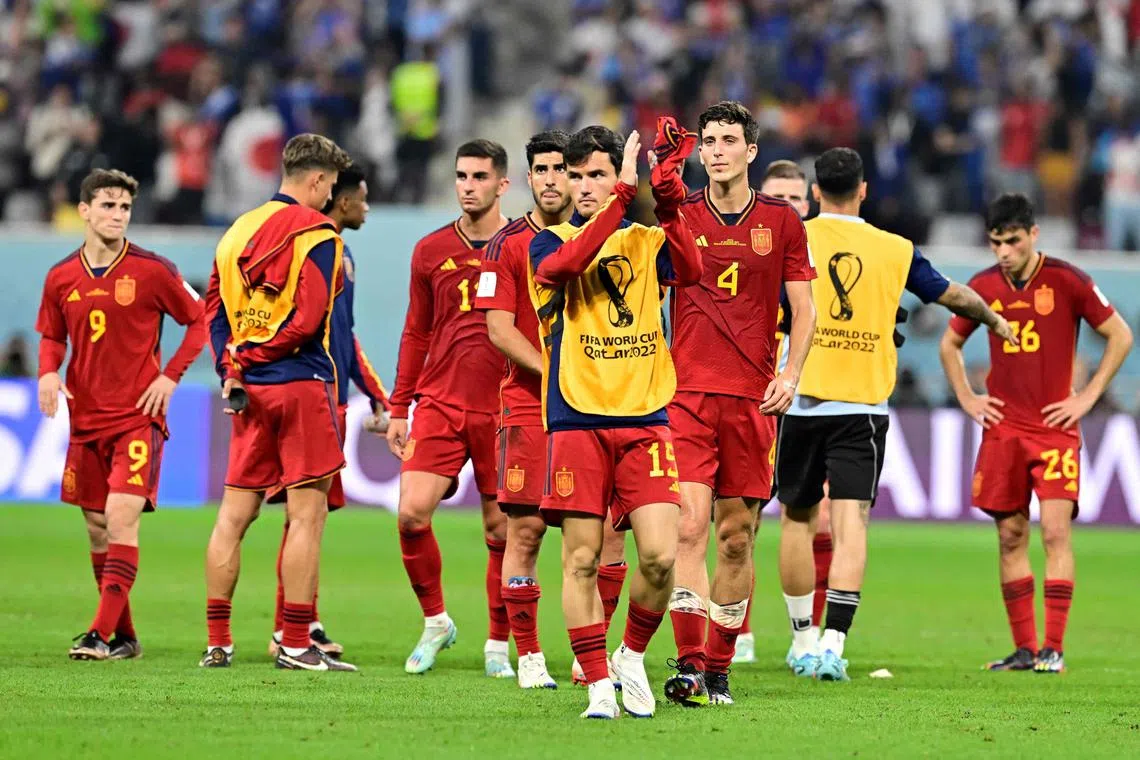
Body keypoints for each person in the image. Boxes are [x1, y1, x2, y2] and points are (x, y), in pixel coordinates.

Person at [776, 147, 1015, 682]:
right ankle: (834, 644)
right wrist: (994, 320)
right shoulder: (895, 249)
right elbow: (952, 296)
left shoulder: (795, 237)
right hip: (863, 406)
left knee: (797, 516)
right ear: (864, 190)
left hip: (800, 398)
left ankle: (801, 639)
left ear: (815, 192)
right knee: (850, 520)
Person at [529, 120, 702, 719]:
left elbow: (695, 271)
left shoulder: (644, 240)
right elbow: (569, 265)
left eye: (597, 174)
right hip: (577, 416)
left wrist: (670, 196)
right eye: (576, 176)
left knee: (659, 556)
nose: (583, 186)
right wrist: (624, 197)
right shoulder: (547, 242)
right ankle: (599, 682)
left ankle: (630, 655)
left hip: (644, 416)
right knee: (581, 558)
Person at [940, 193, 1133, 674]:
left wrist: (1086, 397)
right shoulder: (983, 286)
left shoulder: (1067, 280)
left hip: (1054, 429)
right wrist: (968, 398)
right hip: (1003, 430)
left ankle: (1055, 648)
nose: (1003, 251)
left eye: (1012, 241)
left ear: (1033, 235)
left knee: (1054, 531)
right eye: (995, 242)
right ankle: (1025, 649)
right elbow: (950, 343)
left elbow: (1121, 335)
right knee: (1009, 535)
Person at [664, 104, 817, 707]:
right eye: (709, 141)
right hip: (687, 397)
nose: (718, 150)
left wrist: (792, 372)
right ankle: (689, 662)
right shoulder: (680, 216)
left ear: (752, 151)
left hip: (753, 399)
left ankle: (721, 667)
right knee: (689, 526)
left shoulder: (781, 223)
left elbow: (803, 309)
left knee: (735, 539)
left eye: (730, 140)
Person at [200, 133, 357, 672]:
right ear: (315, 181)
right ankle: (294, 641)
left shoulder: (235, 230)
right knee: (306, 515)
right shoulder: (318, 234)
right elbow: (310, 319)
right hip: (297, 381)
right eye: (329, 187)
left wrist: (232, 364)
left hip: (247, 390)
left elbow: (214, 313)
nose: (329, 197)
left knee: (233, 516)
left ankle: (218, 640)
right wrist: (261, 354)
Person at [36, 168, 207, 661]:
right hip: (85, 418)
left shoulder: (153, 270)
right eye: (107, 206)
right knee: (95, 525)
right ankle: (126, 636)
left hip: (137, 417)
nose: (117, 215)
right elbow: (52, 335)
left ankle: (98, 633)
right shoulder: (61, 276)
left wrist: (170, 376)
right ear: (84, 211)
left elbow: (199, 321)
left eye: (125, 207)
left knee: (119, 516)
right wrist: (49, 373)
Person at [387, 140, 512, 677]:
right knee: (412, 513)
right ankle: (436, 620)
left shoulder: (523, 246)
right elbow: (417, 330)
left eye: (480, 177)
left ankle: (499, 645)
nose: (467, 185)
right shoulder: (430, 249)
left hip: (504, 407)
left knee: (503, 531)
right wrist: (399, 406)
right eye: (461, 175)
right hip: (439, 402)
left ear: (502, 185)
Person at [265, 164, 391, 661]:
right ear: (340, 200)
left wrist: (376, 391)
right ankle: (288, 627)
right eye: (362, 197)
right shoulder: (316, 249)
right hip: (306, 392)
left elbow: (346, 335)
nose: (366, 206)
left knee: (307, 516)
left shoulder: (341, 252)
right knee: (303, 516)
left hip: (330, 394)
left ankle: (301, 620)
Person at [750, 160, 836, 669]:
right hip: (756, 400)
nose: (786, 206)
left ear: (810, 203)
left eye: (795, 199)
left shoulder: (822, 258)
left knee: (812, 518)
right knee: (740, 520)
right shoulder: (753, 253)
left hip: (811, 403)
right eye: (775, 197)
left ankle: (808, 634)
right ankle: (737, 632)